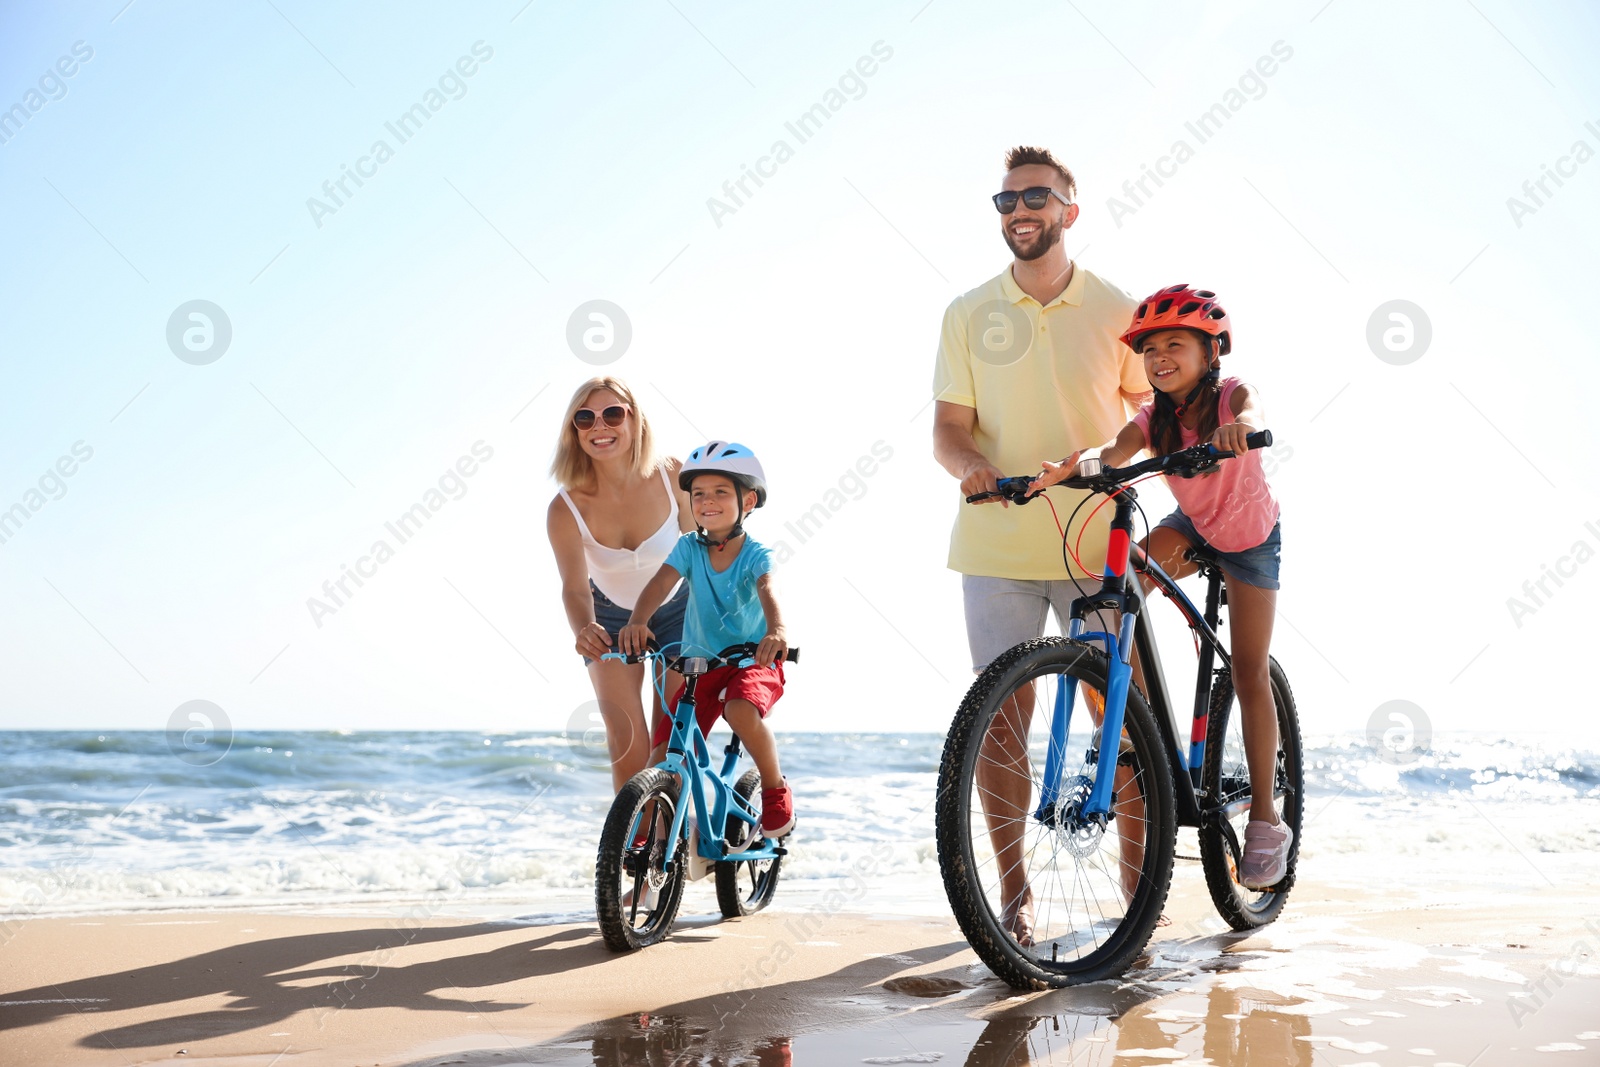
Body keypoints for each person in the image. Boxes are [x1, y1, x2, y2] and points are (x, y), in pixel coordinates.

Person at [932, 146, 1150, 944]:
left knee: (1122, 717)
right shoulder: (966, 313)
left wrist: (1112, 457)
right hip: (996, 544)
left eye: (1036, 196)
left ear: (1069, 210)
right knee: (1000, 721)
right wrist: (975, 468)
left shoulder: (1119, 309)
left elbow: (1146, 410)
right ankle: (1015, 895)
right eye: (1005, 199)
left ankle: (1137, 890)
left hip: (1097, 541)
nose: (1018, 210)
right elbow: (948, 431)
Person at [1032, 284, 1289, 888]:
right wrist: (1080, 466)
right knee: (1117, 593)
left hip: (1251, 540)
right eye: (1149, 349)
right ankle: (1135, 718)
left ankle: (1266, 822)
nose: (1159, 357)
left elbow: (1254, 414)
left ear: (1211, 352)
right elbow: (1118, 448)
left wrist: (1237, 431)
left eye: (1176, 344)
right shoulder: (1154, 415)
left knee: (1248, 670)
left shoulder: (1231, 396)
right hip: (1193, 528)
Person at [620, 441, 795, 838]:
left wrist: (777, 631)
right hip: (701, 665)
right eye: (698, 494)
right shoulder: (688, 547)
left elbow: (768, 590)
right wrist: (637, 621)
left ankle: (774, 788)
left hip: (754, 661)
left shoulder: (756, 554)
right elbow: (660, 583)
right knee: (663, 752)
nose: (707, 501)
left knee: (739, 710)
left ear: (747, 500)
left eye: (720, 492)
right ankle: (653, 831)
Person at [548, 376, 694, 792]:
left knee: (671, 743)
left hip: (679, 611)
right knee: (626, 744)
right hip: (608, 617)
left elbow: (708, 548)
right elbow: (574, 588)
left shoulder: (671, 476)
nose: (600, 426)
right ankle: (634, 852)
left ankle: (680, 845)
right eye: (585, 418)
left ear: (635, 420)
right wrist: (583, 629)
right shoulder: (565, 508)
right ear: (573, 432)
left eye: (613, 413)